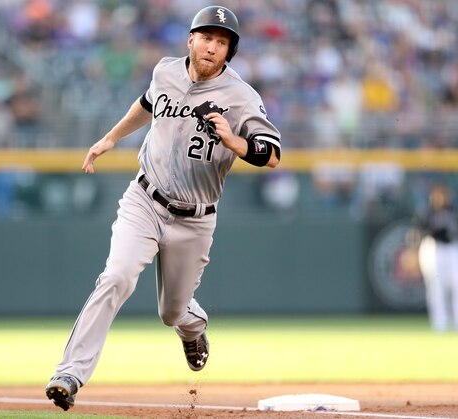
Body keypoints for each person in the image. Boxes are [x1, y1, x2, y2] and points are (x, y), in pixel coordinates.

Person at [45, 6, 281, 411]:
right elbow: (147, 103)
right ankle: (70, 374)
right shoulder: (165, 71)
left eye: (221, 42)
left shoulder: (241, 97)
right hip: (144, 199)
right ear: (190, 40)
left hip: (195, 218)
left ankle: (193, 328)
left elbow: (272, 155)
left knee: (172, 312)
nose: (211, 46)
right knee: (116, 276)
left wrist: (236, 143)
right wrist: (111, 138)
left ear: (229, 53)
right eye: (206, 37)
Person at [416, 183, 458, 333]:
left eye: (443, 194)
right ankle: (440, 323)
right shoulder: (427, 211)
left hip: (454, 247)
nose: (440, 197)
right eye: (436, 194)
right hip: (433, 247)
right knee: (436, 287)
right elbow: (416, 231)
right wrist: (413, 252)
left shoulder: (457, 208)